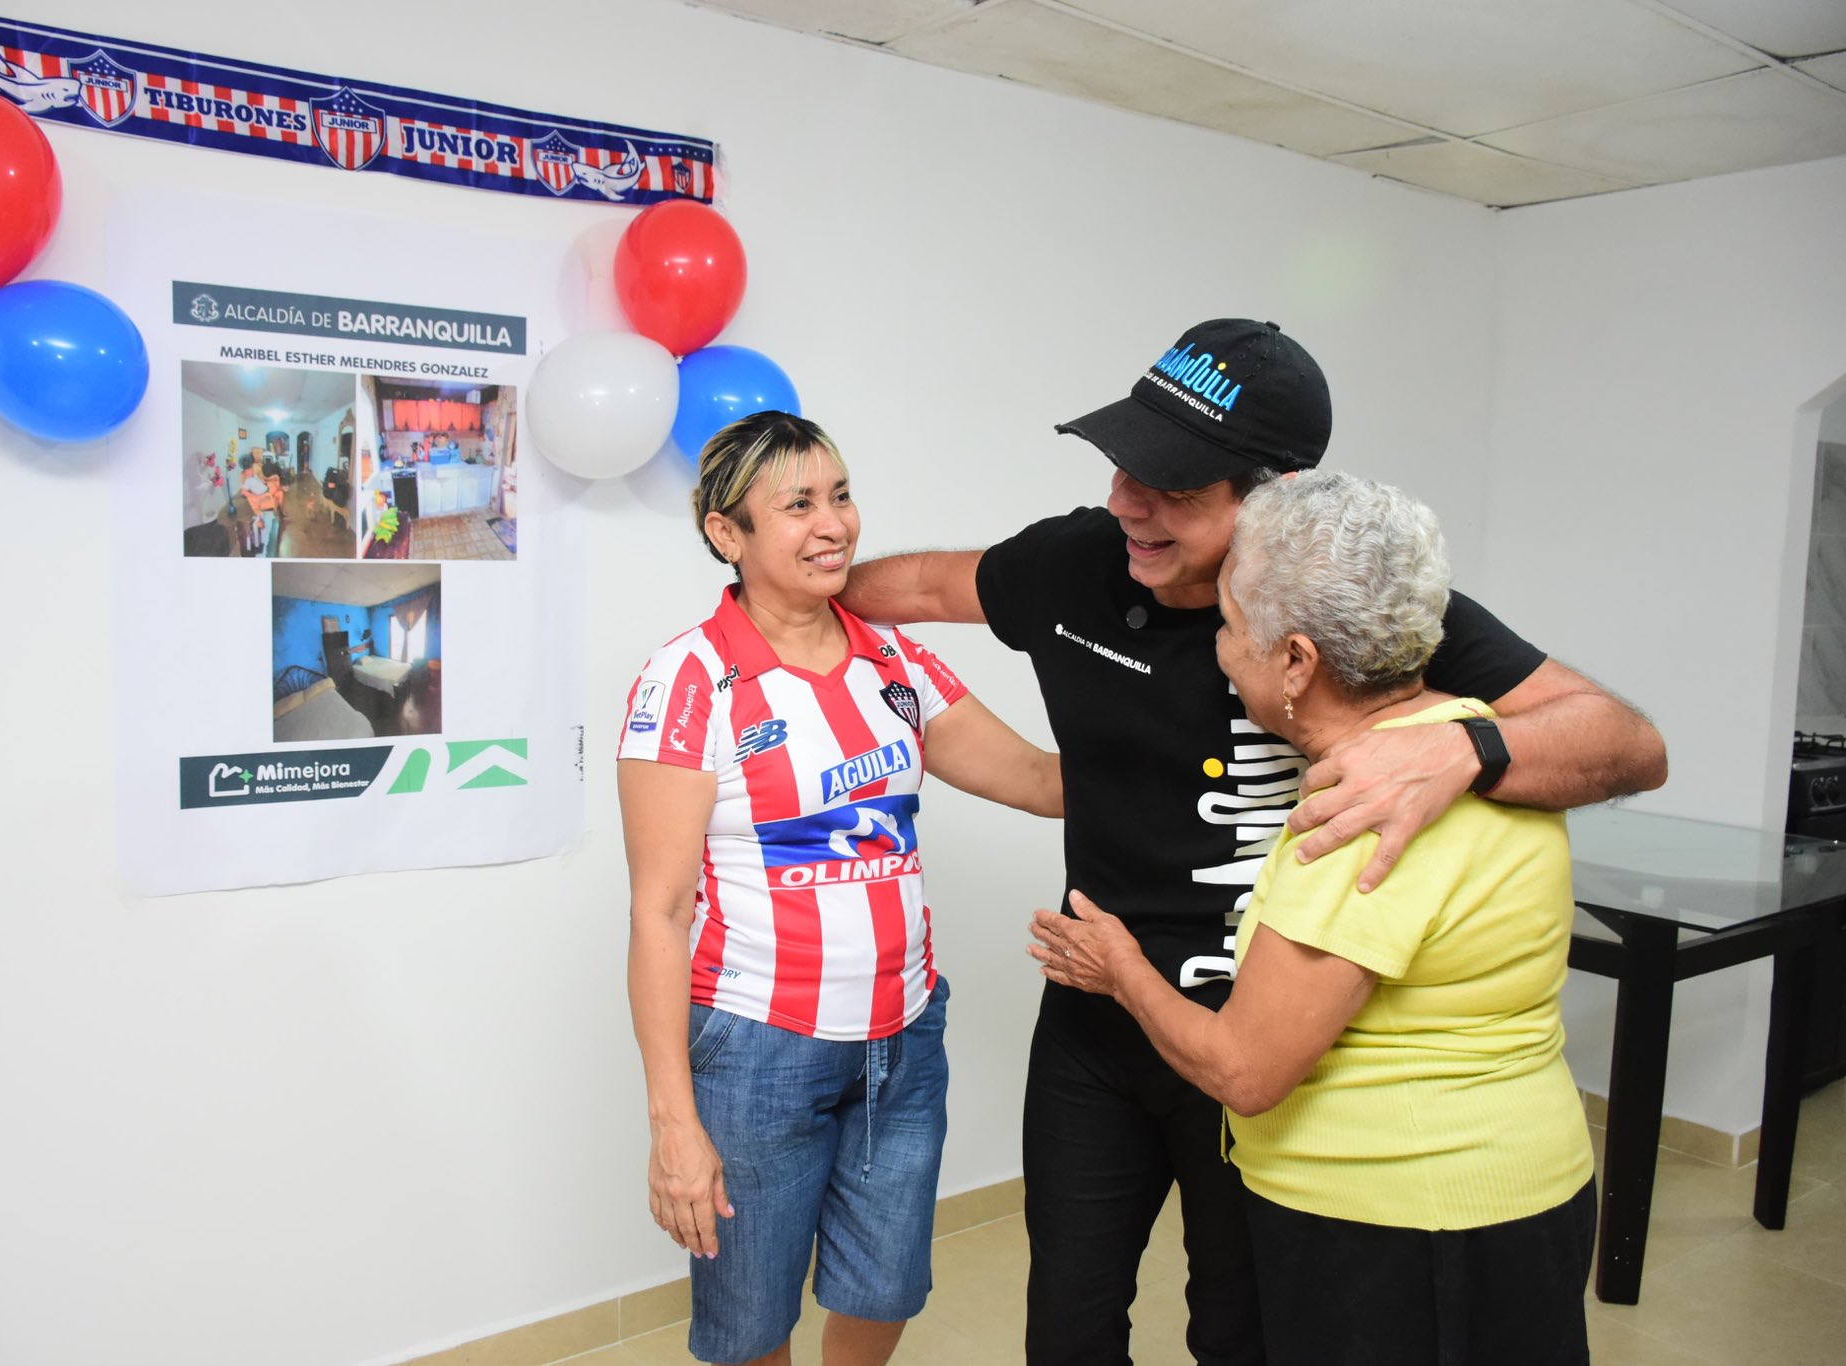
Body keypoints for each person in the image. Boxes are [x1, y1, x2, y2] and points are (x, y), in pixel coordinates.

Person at [836, 318, 1664, 1365]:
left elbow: (1625, 743)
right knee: (1067, 1327)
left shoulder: (1356, 608)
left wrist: (1462, 752)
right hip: (1095, 1028)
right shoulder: (1076, 563)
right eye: (1122, 466)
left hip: (1263, 1039)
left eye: (1172, 488)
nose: (1124, 503)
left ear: (1270, 498)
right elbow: (913, 588)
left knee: (1241, 1329)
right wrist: (779, 588)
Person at [1028, 470, 1597, 1365]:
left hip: (1397, 1224)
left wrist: (1120, 969)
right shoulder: (1479, 741)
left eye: (1226, 627)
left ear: (1295, 660)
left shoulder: (1354, 822)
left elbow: (1246, 1071)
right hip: (1522, 1191)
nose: (1216, 649)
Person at [620, 411, 1063, 1366]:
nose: (834, 525)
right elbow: (658, 913)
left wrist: (1178, 752)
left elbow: (1034, 780)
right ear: (725, 534)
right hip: (756, 1051)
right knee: (750, 1319)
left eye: (842, 494)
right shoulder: (689, 682)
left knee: (887, 1284)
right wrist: (674, 1124)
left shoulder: (891, 657)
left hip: (903, 1041)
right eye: (797, 506)